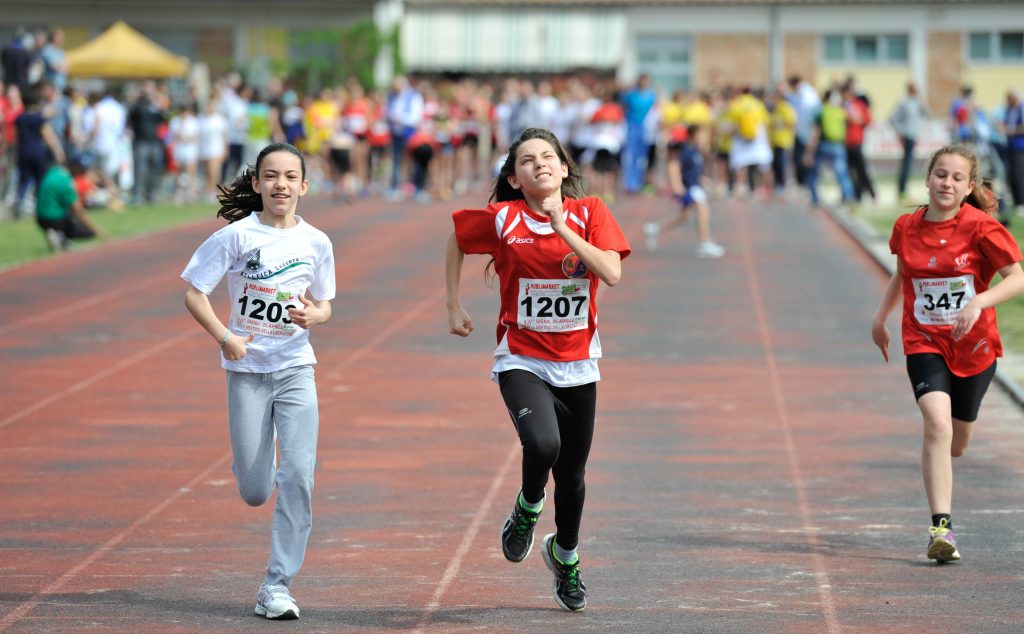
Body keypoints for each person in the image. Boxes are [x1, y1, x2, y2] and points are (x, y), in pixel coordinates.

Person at [445, 127, 630, 612]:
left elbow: (611, 272)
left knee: (572, 476)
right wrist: (452, 304)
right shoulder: (504, 218)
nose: (540, 164)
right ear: (514, 178)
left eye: (549, 157)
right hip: (521, 357)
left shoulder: (591, 213)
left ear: (564, 169)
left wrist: (562, 226)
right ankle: (528, 507)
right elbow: (456, 240)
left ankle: (564, 555)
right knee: (543, 445)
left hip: (578, 363)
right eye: (527, 160)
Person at [181, 143, 336, 620]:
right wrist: (225, 337)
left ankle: (277, 585)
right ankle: (256, 457)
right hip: (247, 370)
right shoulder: (236, 237)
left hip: (295, 369)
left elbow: (326, 303)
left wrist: (315, 315)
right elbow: (194, 293)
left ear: (304, 187)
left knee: (298, 476)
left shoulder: (317, 242)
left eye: (291, 176)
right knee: (255, 489)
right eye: (271, 176)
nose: (281, 185)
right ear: (257, 183)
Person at [871, 145, 1024, 564]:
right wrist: (879, 318)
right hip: (924, 341)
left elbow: (1017, 279)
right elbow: (903, 272)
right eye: (941, 174)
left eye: (957, 178)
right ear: (928, 178)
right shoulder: (907, 226)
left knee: (956, 443)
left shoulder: (981, 227)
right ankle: (942, 529)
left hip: (974, 348)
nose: (947, 183)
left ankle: (948, 462)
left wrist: (977, 303)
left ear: (969, 187)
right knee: (936, 423)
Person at [643, 123, 725, 258]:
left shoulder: (696, 150)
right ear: (694, 135)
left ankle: (654, 229)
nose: (705, 138)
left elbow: (691, 170)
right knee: (703, 208)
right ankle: (704, 243)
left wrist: (703, 179)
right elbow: (673, 167)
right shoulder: (687, 150)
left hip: (695, 186)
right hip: (690, 188)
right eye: (702, 135)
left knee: (683, 217)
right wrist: (677, 188)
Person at [35, 159, 106, 251]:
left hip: (39, 217)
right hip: (54, 218)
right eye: (81, 170)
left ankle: (60, 236)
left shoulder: (54, 171)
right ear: (75, 168)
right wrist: (97, 231)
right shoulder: (67, 182)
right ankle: (59, 235)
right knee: (85, 231)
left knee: (65, 210)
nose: (82, 173)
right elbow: (78, 210)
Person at [890, 81, 928, 201]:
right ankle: (902, 190)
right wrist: (900, 132)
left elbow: (927, 113)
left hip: (914, 136)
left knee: (909, 163)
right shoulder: (904, 103)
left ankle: (903, 189)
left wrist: (922, 100)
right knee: (907, 164)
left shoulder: (918, 102)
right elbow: (893, 119)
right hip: (907, 136)